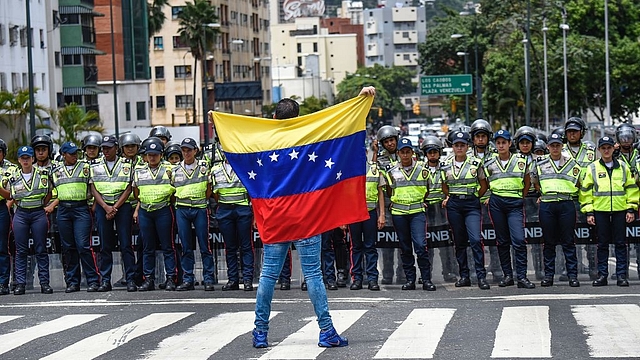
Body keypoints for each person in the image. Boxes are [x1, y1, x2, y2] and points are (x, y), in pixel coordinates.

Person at [252, 87, 375, 349]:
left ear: (274, 118)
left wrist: (217, 120)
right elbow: (336, 121)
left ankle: (260, 332)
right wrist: (362, 98)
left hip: (276, 218)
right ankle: (326, 331)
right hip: (306, 217)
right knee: (314, 275)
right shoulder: (309, 137)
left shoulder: (263, 141)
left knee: (268, 277)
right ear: (298, 118)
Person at [579, 136, 638, 287]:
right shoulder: (593, 168)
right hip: (600, 211)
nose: (606, 150)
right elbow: (585, 192)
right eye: (603, 148)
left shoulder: (623, 167)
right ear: (599, 150)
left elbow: (631, 189)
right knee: (602, 245)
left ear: (613, 149)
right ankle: (602, 275)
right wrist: (589, 212)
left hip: (620, 210)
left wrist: (631, 208)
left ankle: (621, 276)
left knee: (620, 244)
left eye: (609, 148)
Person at [483, 130, 535, 289]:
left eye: (503, 142)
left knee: (519, 240)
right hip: (497, 203)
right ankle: (508, 275)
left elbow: (527, 182)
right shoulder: (489, 162)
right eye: (498, 143)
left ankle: (522, 277)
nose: (501, 145)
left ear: (510, 144)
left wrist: (520, 196)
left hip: (514, 203)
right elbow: (485, 182)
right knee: (502, 241)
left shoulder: (521, 161)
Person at [441, 131, 490, 290]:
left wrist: (475, 197)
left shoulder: (476, 163)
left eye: (462, 145)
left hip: (471, 204)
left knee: (475, 239)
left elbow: (484, 185)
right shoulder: (446, 164)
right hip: (455, 204)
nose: (459, 148)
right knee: (459, 241)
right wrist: (452, 197)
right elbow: (444, 186)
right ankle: (464, 275)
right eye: (457, 145)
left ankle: (481, 276)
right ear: (453, 147)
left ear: (467, 147)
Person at [385, 137, 435, 291]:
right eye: (402, 152)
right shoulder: (391, 172)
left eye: (408, 152)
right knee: (405, 247)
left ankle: (426, 279)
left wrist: (420, 201)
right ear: (398, 153)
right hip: (399, 213)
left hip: (417, 212)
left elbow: (427, 189)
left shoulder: (423, 170)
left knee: (420, 245)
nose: (405, 155)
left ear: (412, 153)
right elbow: (389, 190)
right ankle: (410, 279)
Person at [531, 133, 580, 287]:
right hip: (548, 204)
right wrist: (544, 193)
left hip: (566, 203)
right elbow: (535, 182)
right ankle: (548, 276)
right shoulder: (540, 163)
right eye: (552, 145)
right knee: (549, 242)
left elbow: (579, 182)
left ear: (562, 146)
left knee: (568, 242)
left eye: (558, 145)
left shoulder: (572, 163)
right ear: (547, 147)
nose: (555, 148)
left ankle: (572, 275)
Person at [51, 142, 100, 293]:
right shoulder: (55, 170)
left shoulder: (85, 168)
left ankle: (93, 280)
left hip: (81, 209)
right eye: (71, 154)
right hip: (64, 210)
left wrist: (94, 204)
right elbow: (53, 191)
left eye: (76, 153)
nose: (74, 156)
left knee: (83, 245)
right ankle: (73, 282)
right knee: (68, 247)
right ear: (64, 155)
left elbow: (93, 188)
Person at [90, 135, 137, 292]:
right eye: (103, 148)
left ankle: (130, 279)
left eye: (109, 148)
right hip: (103, 207)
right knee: (105, 245)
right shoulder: (94, 165)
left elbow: (129, 187)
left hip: (121, 206)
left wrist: (115, 207)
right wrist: (105, 207)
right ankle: (105, 280)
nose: (105, 151)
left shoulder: (127, 164)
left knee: (126, 244)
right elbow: (93, 188)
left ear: (116, 148)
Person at [132, 137, 178, 291]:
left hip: (163, 210)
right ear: (145, 156)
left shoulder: (169, 170)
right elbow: (136, 192)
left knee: (168, 246)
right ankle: (149, 279)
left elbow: (174, 193)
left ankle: (171, 278)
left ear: (161, 155)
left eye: (155, 154)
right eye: (149, 154)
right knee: (147, 247)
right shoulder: (138, 171)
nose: (152, 157)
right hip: (146, 211)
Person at [7, 146, 53, 295]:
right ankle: (20, 283)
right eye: (23, 158)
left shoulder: (43, 175)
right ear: (19, 160)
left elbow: (48, 194)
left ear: (32, 159)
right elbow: (11, 197)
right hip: (21, 214)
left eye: (28, 157)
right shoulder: (13, 178)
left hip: (38, 213)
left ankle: (44, 283)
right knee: (21, 250)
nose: (26, 160)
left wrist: (42, 206)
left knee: (41, 249)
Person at [173, 138, 216, 291]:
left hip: (199, 208)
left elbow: (209, 187)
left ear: (195, 151)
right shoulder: (174, 169)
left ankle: (209, 279)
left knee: (205, 245)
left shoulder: (204, 166)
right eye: (184, 150)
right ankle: (188, 279)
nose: (186, 153)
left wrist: (202, 200)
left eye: (189, 150)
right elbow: (172, 190)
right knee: (186, 246)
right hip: (182, 209)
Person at [212, 148, 255, 291]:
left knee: (246, 246)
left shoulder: (244, 166)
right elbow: (215, 194)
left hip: (242, 209)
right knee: (230, 247)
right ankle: (233, 280)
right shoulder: (215, 170)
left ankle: (248, 279)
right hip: (225, 210)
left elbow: (251, 191)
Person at [563, 117, 598, 280]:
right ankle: (570, 269)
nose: (572, 134)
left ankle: (594, 267)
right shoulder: (560, 150)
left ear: (582, 133)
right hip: (567, 198)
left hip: (588, 199)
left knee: (591, 235)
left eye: (575, 131)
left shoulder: (591, 152)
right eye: (569, 131)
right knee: (568, 236)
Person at [469, 119, 502, 284]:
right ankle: (475, 270)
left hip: (492, 202)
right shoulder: (466, 157)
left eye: (483, 136)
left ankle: (497, 269)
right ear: (473, 139)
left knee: (494, 237)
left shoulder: (496, 156)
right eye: (478, 136)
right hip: (472, 203)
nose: (480, 139)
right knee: (474, 239)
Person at [421, 136, 458, 283]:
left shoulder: (447, 168)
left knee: (446, 242)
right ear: (425, 153)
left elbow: (452, 186)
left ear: (439, 153)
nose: (432, 154)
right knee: (427, 243)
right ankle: (426, 273)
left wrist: (448, 197)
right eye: (429, 152)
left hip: (443, 208)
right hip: (427, 209)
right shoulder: (420, 170)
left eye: (435, 152)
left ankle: (449, 272)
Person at [348, 144, 384, 291]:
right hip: (354, 214)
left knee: (370, 247)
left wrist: (382, 214)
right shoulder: (348, 170)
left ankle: (372, 279)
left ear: (366, 152)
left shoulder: (375, 169)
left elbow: (380, 192)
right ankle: (357, 278)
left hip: (370, 213)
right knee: (356, 247)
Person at [373, 125, 405, 285]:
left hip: (403, 202)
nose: (390, 144)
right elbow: (373, 176)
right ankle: (387, 273)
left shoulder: (406, 155)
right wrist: (374, 153)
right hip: (385, 202)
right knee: (387, 241)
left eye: (392, 140)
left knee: (402, 240)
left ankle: (403, 272)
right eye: (386, 142)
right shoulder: (379, 160)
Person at [514, 126, 544, 281]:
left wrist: (542, 195)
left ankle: (540, 269)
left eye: (528, 142)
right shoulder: (512, 160)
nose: (525, 145)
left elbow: (544, 181)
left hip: (536, 200)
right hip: (518, 200)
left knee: (537, 238)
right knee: (517, 238)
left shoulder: (541, 160)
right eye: (522, 142)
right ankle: (517, 271)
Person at [0, 139, 16, 295]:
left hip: (2, 208)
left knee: (2, 247)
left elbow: (13, 192)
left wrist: (8, 205)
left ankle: (3, 282)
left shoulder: (11, 169)